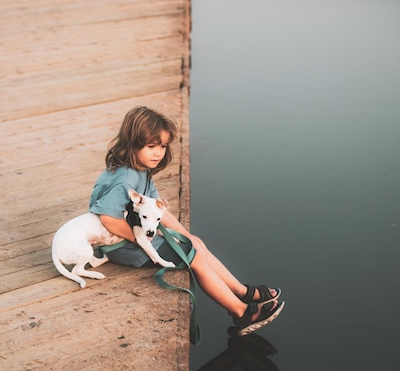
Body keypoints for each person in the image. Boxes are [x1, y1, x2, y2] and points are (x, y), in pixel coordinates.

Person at [89, 105, 284, 336]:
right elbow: (108, 219)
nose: (158, 153)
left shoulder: (141, 169)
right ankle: (241, 313)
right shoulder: (125, 178)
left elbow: (157, 208)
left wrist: (187, 236)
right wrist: (144, 242)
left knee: (196, 244)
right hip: (120, 244)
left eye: (162, 146)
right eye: (151, 146)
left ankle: (243, 292)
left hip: (135, 232)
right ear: (133, 143)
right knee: (196, 259)